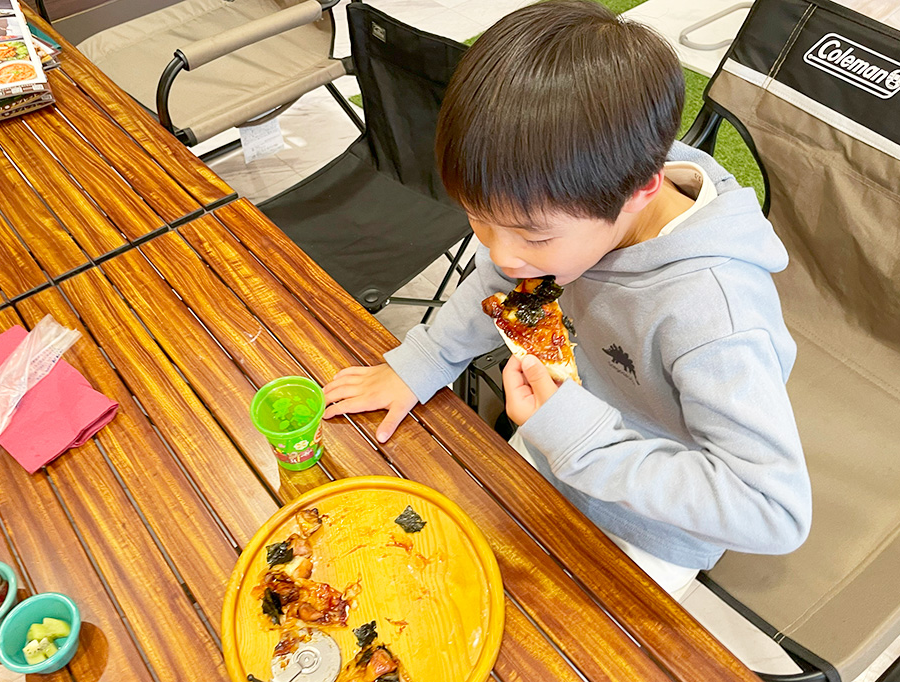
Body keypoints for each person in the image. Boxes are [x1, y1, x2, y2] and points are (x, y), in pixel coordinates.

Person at [322, 0, 811, 598]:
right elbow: (507, 285)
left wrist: (580, 440)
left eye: (532, 235)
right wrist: (423, 364)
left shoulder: (713, 316)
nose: (501, 255)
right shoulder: (582, 195)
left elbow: (772, 509)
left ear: (640, 192)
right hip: (551, 443)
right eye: (478, 218)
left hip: (646, 530)